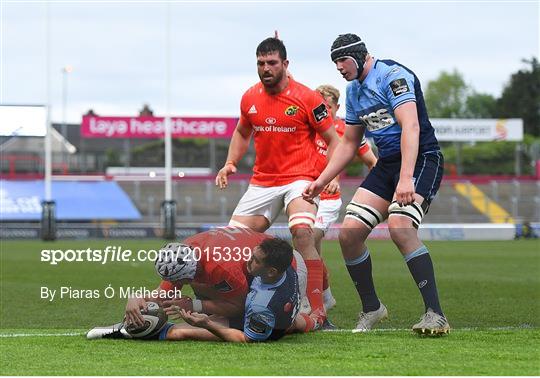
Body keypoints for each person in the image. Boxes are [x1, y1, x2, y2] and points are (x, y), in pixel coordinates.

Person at [303, 34, 450, 335]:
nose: (339, 68)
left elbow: (411, 126)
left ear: (358, 56)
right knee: (349, 235)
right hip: (387, 165)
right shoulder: (354, 90)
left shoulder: (393, 76)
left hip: (421, 158)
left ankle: (436, 314)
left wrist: (406, 177)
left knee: (400, 227)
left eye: (342, 61)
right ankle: (372, 308)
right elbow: (348, 144)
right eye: (335, 63)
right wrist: (321, 181)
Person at [215, 37, 340, 326]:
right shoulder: (249, 97)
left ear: (285, 64)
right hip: (263, 182)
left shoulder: (308, 98)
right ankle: (235, 306)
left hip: (300, 179)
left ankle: (319, 312)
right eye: (260, 63)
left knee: (303, 234)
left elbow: (333, 141)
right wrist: (230, 162)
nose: (265, 68)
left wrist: (329, 176)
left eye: (271, 63)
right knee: (232, 244)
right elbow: (242, 133)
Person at [87, 235, 316, 342]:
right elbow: (164, 293)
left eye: (183, 281)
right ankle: (130, 328)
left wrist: (197, 310)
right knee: (203, 311)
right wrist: (135, 297)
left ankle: (315, 317)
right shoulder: (187, 251)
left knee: (276, 329)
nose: (179, 285)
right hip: (266, 256)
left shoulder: (227, 272)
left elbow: (238, 314)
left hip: (286, 272)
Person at [309, 84, 377, 318]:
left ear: (337, 107)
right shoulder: (309, 127)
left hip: (328, 197)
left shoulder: (348, 132)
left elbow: (372, 162)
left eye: (328, 107)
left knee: (311, 237)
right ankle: (324, 296)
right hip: (306, 194)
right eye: (320, 107)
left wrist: (387, 186)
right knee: (307, 246)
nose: (324, 111)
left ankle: (316, 299)